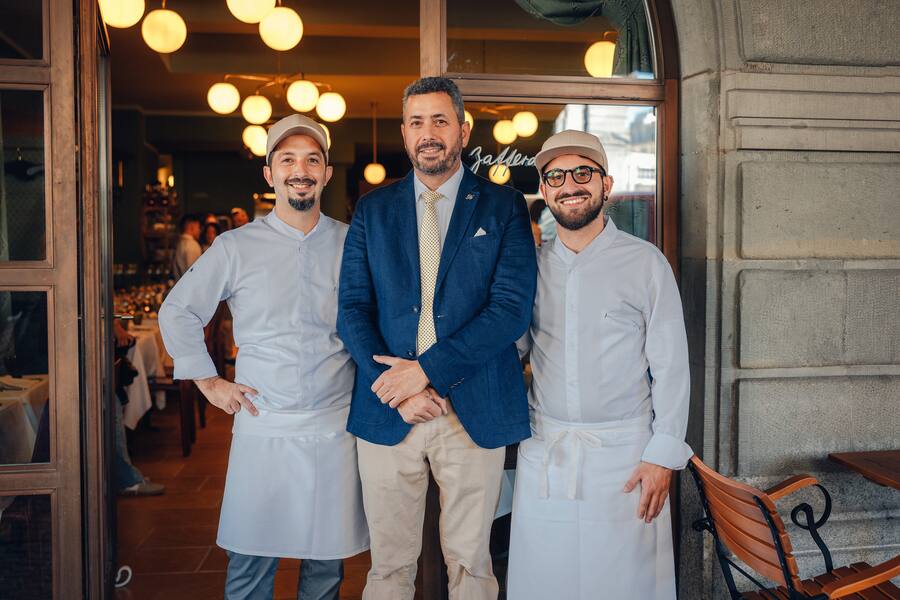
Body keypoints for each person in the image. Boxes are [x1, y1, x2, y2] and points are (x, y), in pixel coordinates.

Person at [337, 77, 537, 600]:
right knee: (388, 565)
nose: (429, 134)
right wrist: (397, 386)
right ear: (404, 134)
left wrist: (426, 373)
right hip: (388, 408)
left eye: (441, 121)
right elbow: (353, 308)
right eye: (418, 122)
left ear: (463, 130)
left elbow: (510, 310)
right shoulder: (371, 210)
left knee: (471, 562)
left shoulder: (504, 207)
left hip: (472, 406)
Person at [159, 114, 368, 600]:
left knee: (325, 568)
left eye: (312, 159)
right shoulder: (235, 246)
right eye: (288, 159)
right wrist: (210, 382)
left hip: (334, 424)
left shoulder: (351, 242)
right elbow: (178, 310)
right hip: (263, 423)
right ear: (270, 173)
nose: (301, 169)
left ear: (327, 173)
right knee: (251, 563)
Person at [506, 130, 692, 599]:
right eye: (557, 176)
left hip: (627, 458)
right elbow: (513, 348)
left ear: (606, 184)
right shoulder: (530, 267)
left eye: (583, 173)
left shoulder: (645, 264)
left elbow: (672, 366)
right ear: (544, 190)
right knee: (545, 582)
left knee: (625, 584)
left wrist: (661, 457)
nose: (571, 185)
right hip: (547, 450)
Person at [172, 214, 202, 278]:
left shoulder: (179, 243)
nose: (199, 230)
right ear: (192, 227)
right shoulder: (192, 245)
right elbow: (193, 273)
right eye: (198, 227)